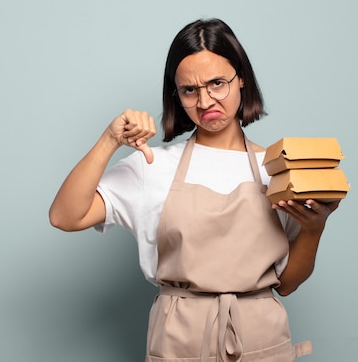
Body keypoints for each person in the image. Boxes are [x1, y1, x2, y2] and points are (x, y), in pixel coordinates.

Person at [49, 18, 340, 361]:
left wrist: (314, 227)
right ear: (177, 94)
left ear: (241, 78)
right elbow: (65, 216)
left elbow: (287, 284)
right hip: (179, 335)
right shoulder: (152, 166)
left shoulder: (275, 168)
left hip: (260, 334)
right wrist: (110, 139)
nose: (205, 101)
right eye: (190, 90)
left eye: (218, 83)